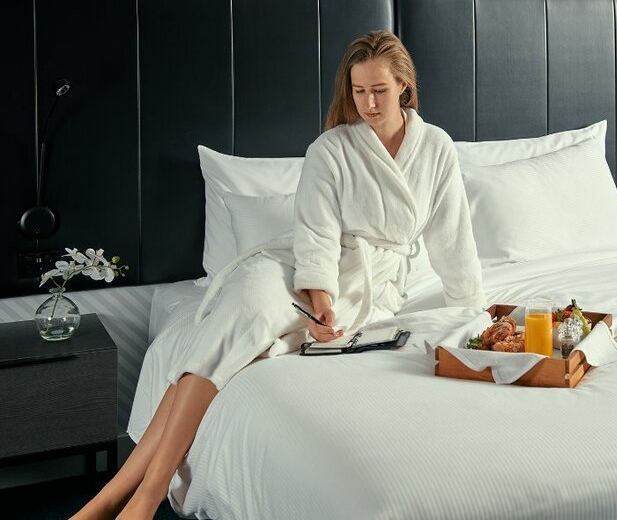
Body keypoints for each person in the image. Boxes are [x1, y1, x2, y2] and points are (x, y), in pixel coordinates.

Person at [72, 30, 485, 519]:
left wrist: (475, 311)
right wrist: (320, 300)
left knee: (244, 346)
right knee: (239, 319)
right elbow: (316, 236)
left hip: (371, 287)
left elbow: (453, 238)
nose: (369, 103)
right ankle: (140, 494)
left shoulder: (436, 147)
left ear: (404, 87)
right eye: (358, 91)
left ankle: (121, 496)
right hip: (299, 270)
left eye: (380, 90)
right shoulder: (331, 149)